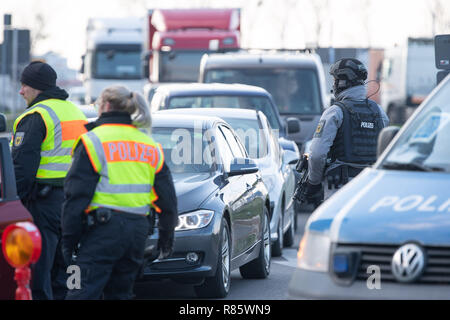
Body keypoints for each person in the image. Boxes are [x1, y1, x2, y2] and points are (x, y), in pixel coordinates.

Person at [62, 86, 178, 300]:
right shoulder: (149, 145)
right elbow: (168, 201)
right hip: (137, 233)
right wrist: (166, 239)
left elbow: (76, 196)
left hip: (101, 232)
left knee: (79, 291)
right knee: (121, 294)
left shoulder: (93, 140)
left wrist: (68, 241)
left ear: (105, 106)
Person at [11, 61, 88, 300]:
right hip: (74, 202)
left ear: (37, 88)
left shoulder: (36, 116)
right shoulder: (76, 112)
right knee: (63, 269)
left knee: (39, 270)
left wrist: (14, 206)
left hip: (44, 204)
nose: (21, 91)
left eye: (25, 85)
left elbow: (22, 169)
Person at [301, 58, 389, 204]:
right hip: (370, 189)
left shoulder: (335, 112)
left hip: (339, 191)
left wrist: (313, 182)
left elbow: (316, 155)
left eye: (335, 80)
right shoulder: (379, 112)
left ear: (343, 82)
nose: (334, 84)